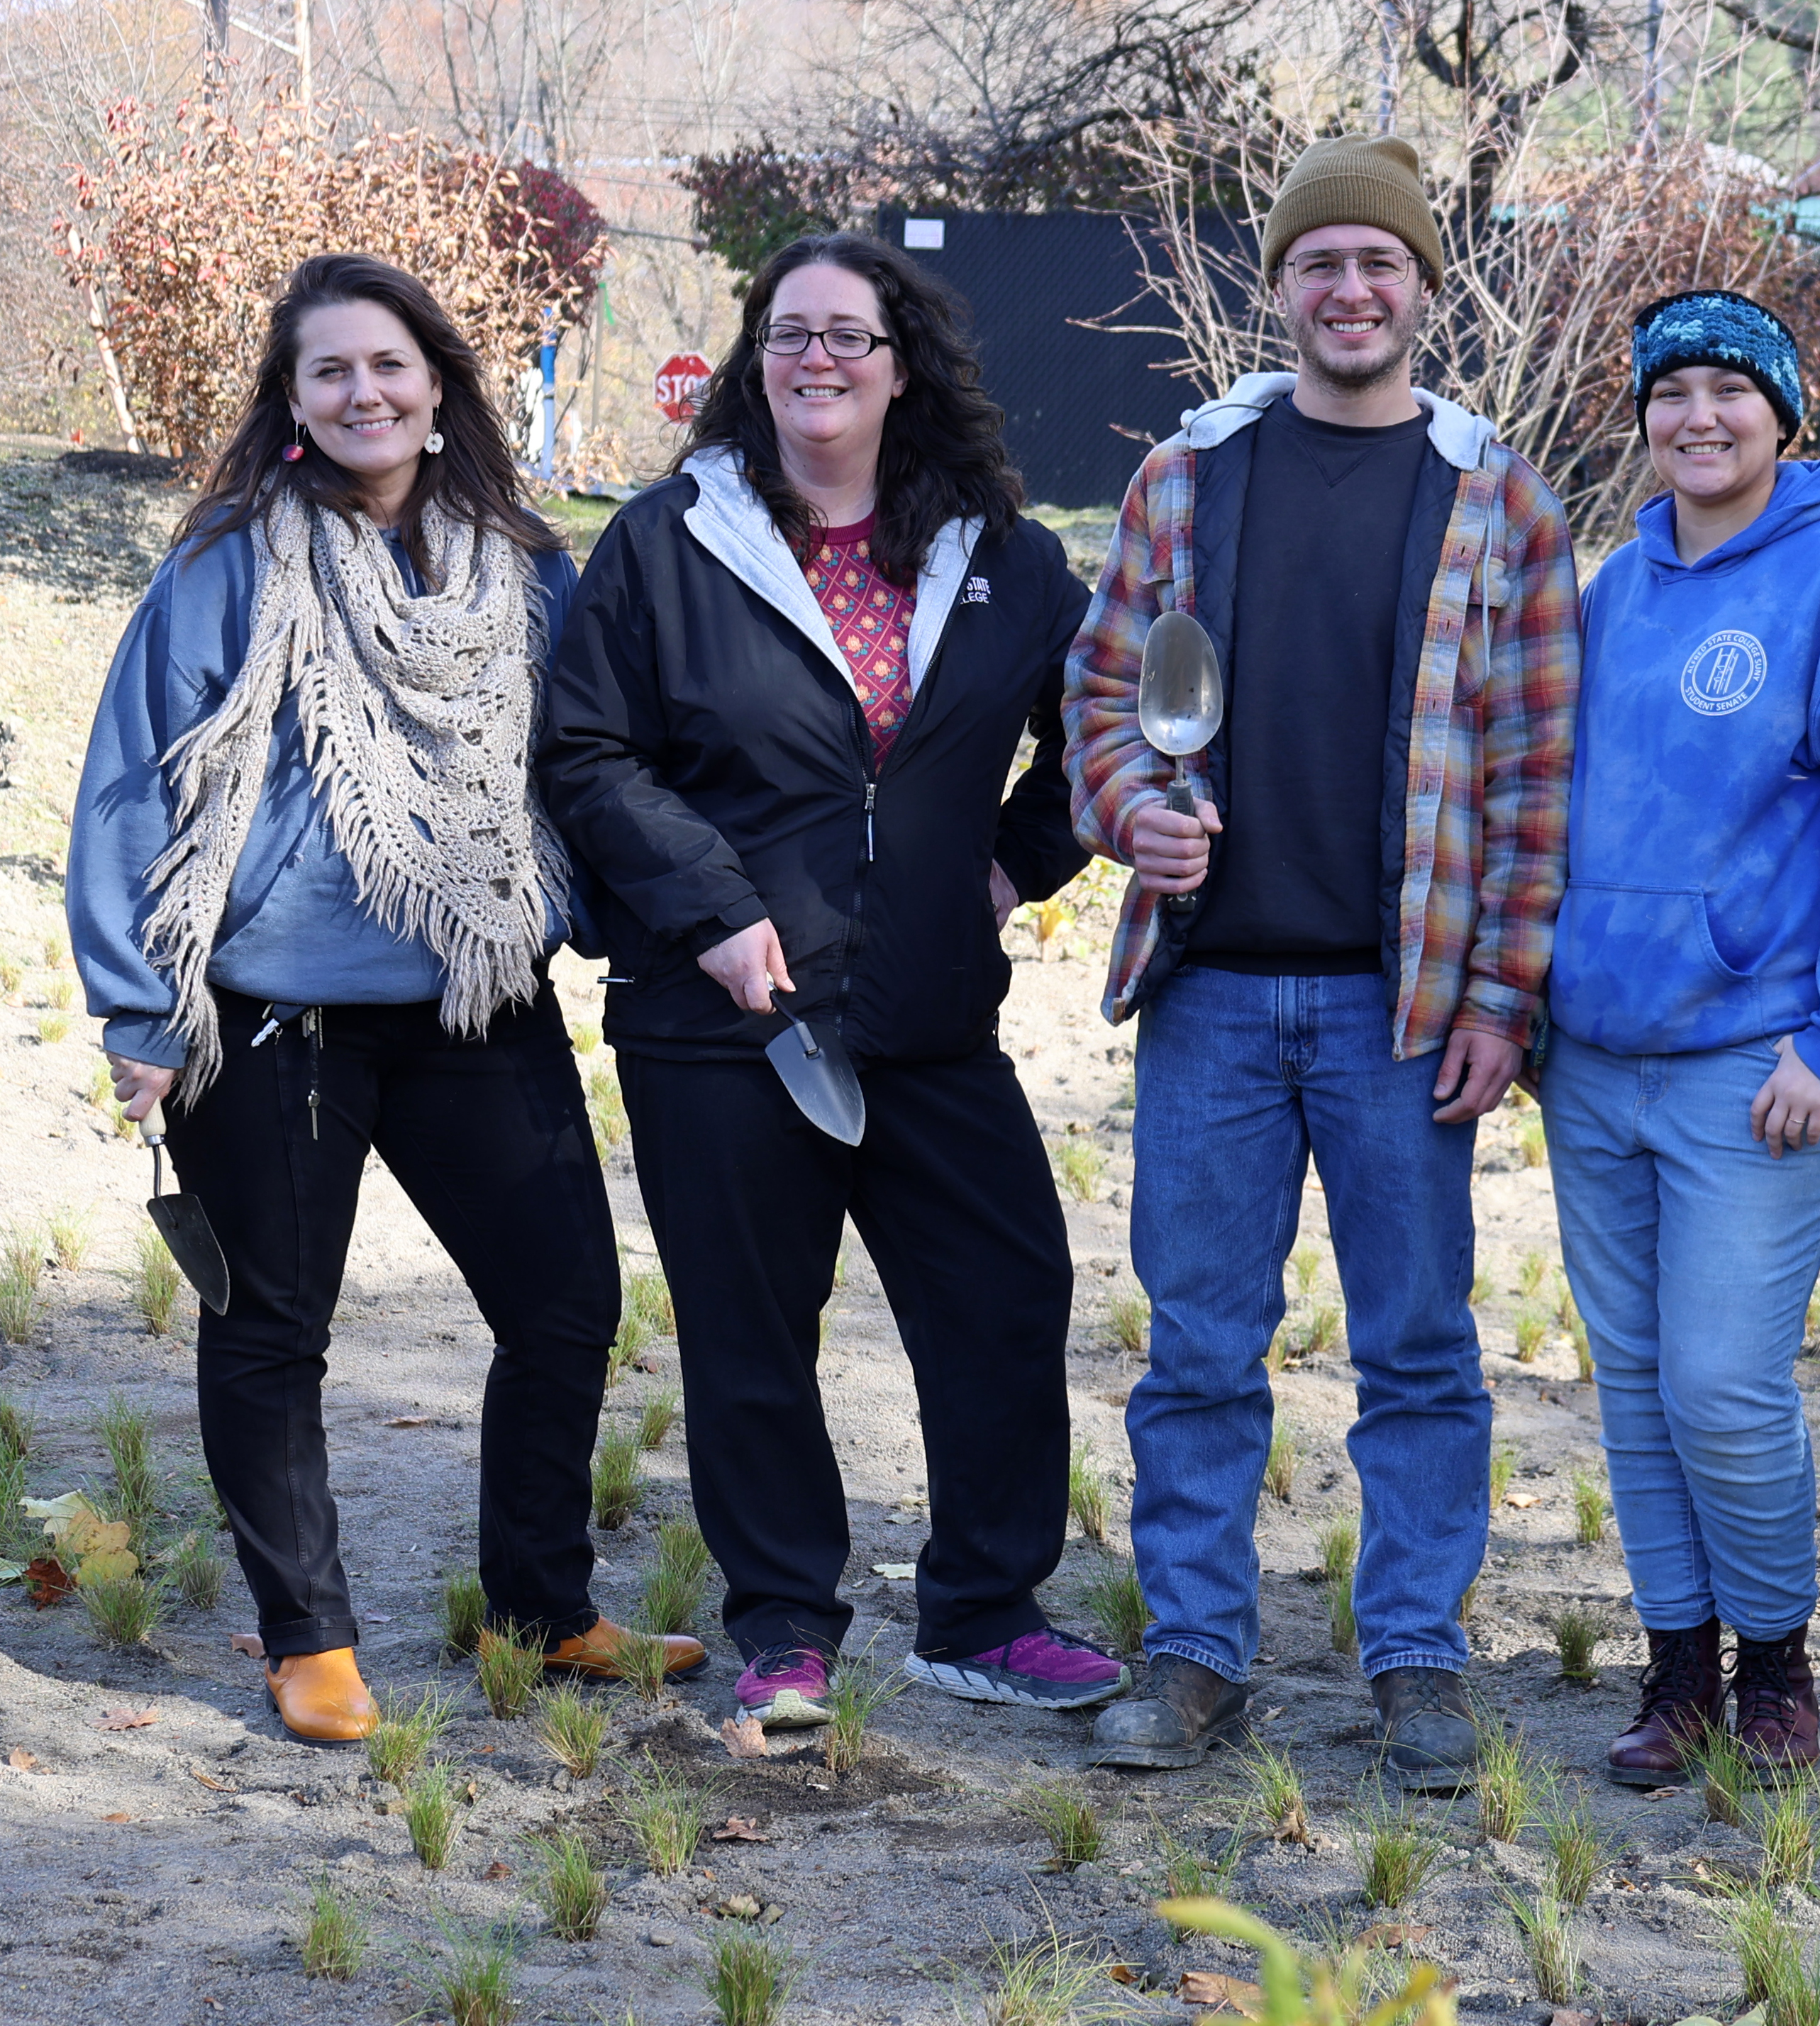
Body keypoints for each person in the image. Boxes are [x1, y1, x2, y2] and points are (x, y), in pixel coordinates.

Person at [65, 253, 688, 1746]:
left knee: (567, 1307)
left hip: (480, 995)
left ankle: (545, 1611)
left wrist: (621, 920)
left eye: (389, 366)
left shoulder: (528, 566)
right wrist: (139, 1012)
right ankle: (311, 1637)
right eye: (330, 371)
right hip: (279, 1023)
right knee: (274, 1332)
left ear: (438, 387)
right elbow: (132, 788)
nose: (365, 393)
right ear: (293, 401)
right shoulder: (228, 563)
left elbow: (581, 763)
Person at [540, 230, 1121, 1730]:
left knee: (1006, 1298)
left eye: (848, 336)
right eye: (787, 333)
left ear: (902, 364)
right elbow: (588, 752)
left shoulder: (1001, 558)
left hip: (926, 1016)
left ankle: (983, 1615)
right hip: (723, 1021)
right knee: (749, 1338)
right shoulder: (669, 543)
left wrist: (1014, 865)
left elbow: (1104, 731)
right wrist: (713, 910)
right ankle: (786, 1628)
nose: (816, 359)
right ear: (755, 361)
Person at [1062, 135, 1580, 1787]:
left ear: (1429, 291)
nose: (1351, 292)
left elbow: (1533, 775)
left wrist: (1504, 994)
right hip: (1210, 1000)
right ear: (1280, 288)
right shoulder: (1192, 477)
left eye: (1382, 265)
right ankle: (1200, 1650)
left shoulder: (1497, 495)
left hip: (1401, 1008)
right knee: (1201, 1346)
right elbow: (1102, 700)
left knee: (1418, 1349)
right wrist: (1138, 810)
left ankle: (1417, 1654)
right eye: (1321, 264)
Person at [1543, 291, 1820, 1785]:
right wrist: (1539, 1010)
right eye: (1671, 392)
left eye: (1731, 390)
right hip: (1594, 1057)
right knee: (1638, 1379)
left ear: (1787, 418)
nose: (1697, 417)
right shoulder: (1616, 586)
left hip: (1762, 1065)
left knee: (1722, 1378)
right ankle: (1677, 1675)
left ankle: (1777, 1666)